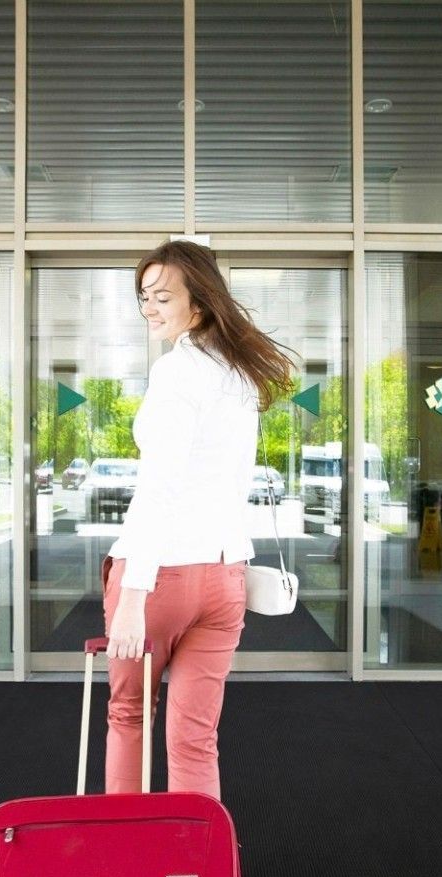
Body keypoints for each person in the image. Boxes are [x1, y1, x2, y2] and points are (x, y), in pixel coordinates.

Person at [102, 240, 296, 800]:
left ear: (201, 301)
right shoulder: (239, 375)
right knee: (195, 736)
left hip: (160, 579)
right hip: (224, 578)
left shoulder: (177, 371)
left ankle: (127, 846)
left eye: (162, 297)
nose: (149, 308)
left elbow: (159, 488)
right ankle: (194, 852)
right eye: (144, 296)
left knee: (130, 715)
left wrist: (132, 599)